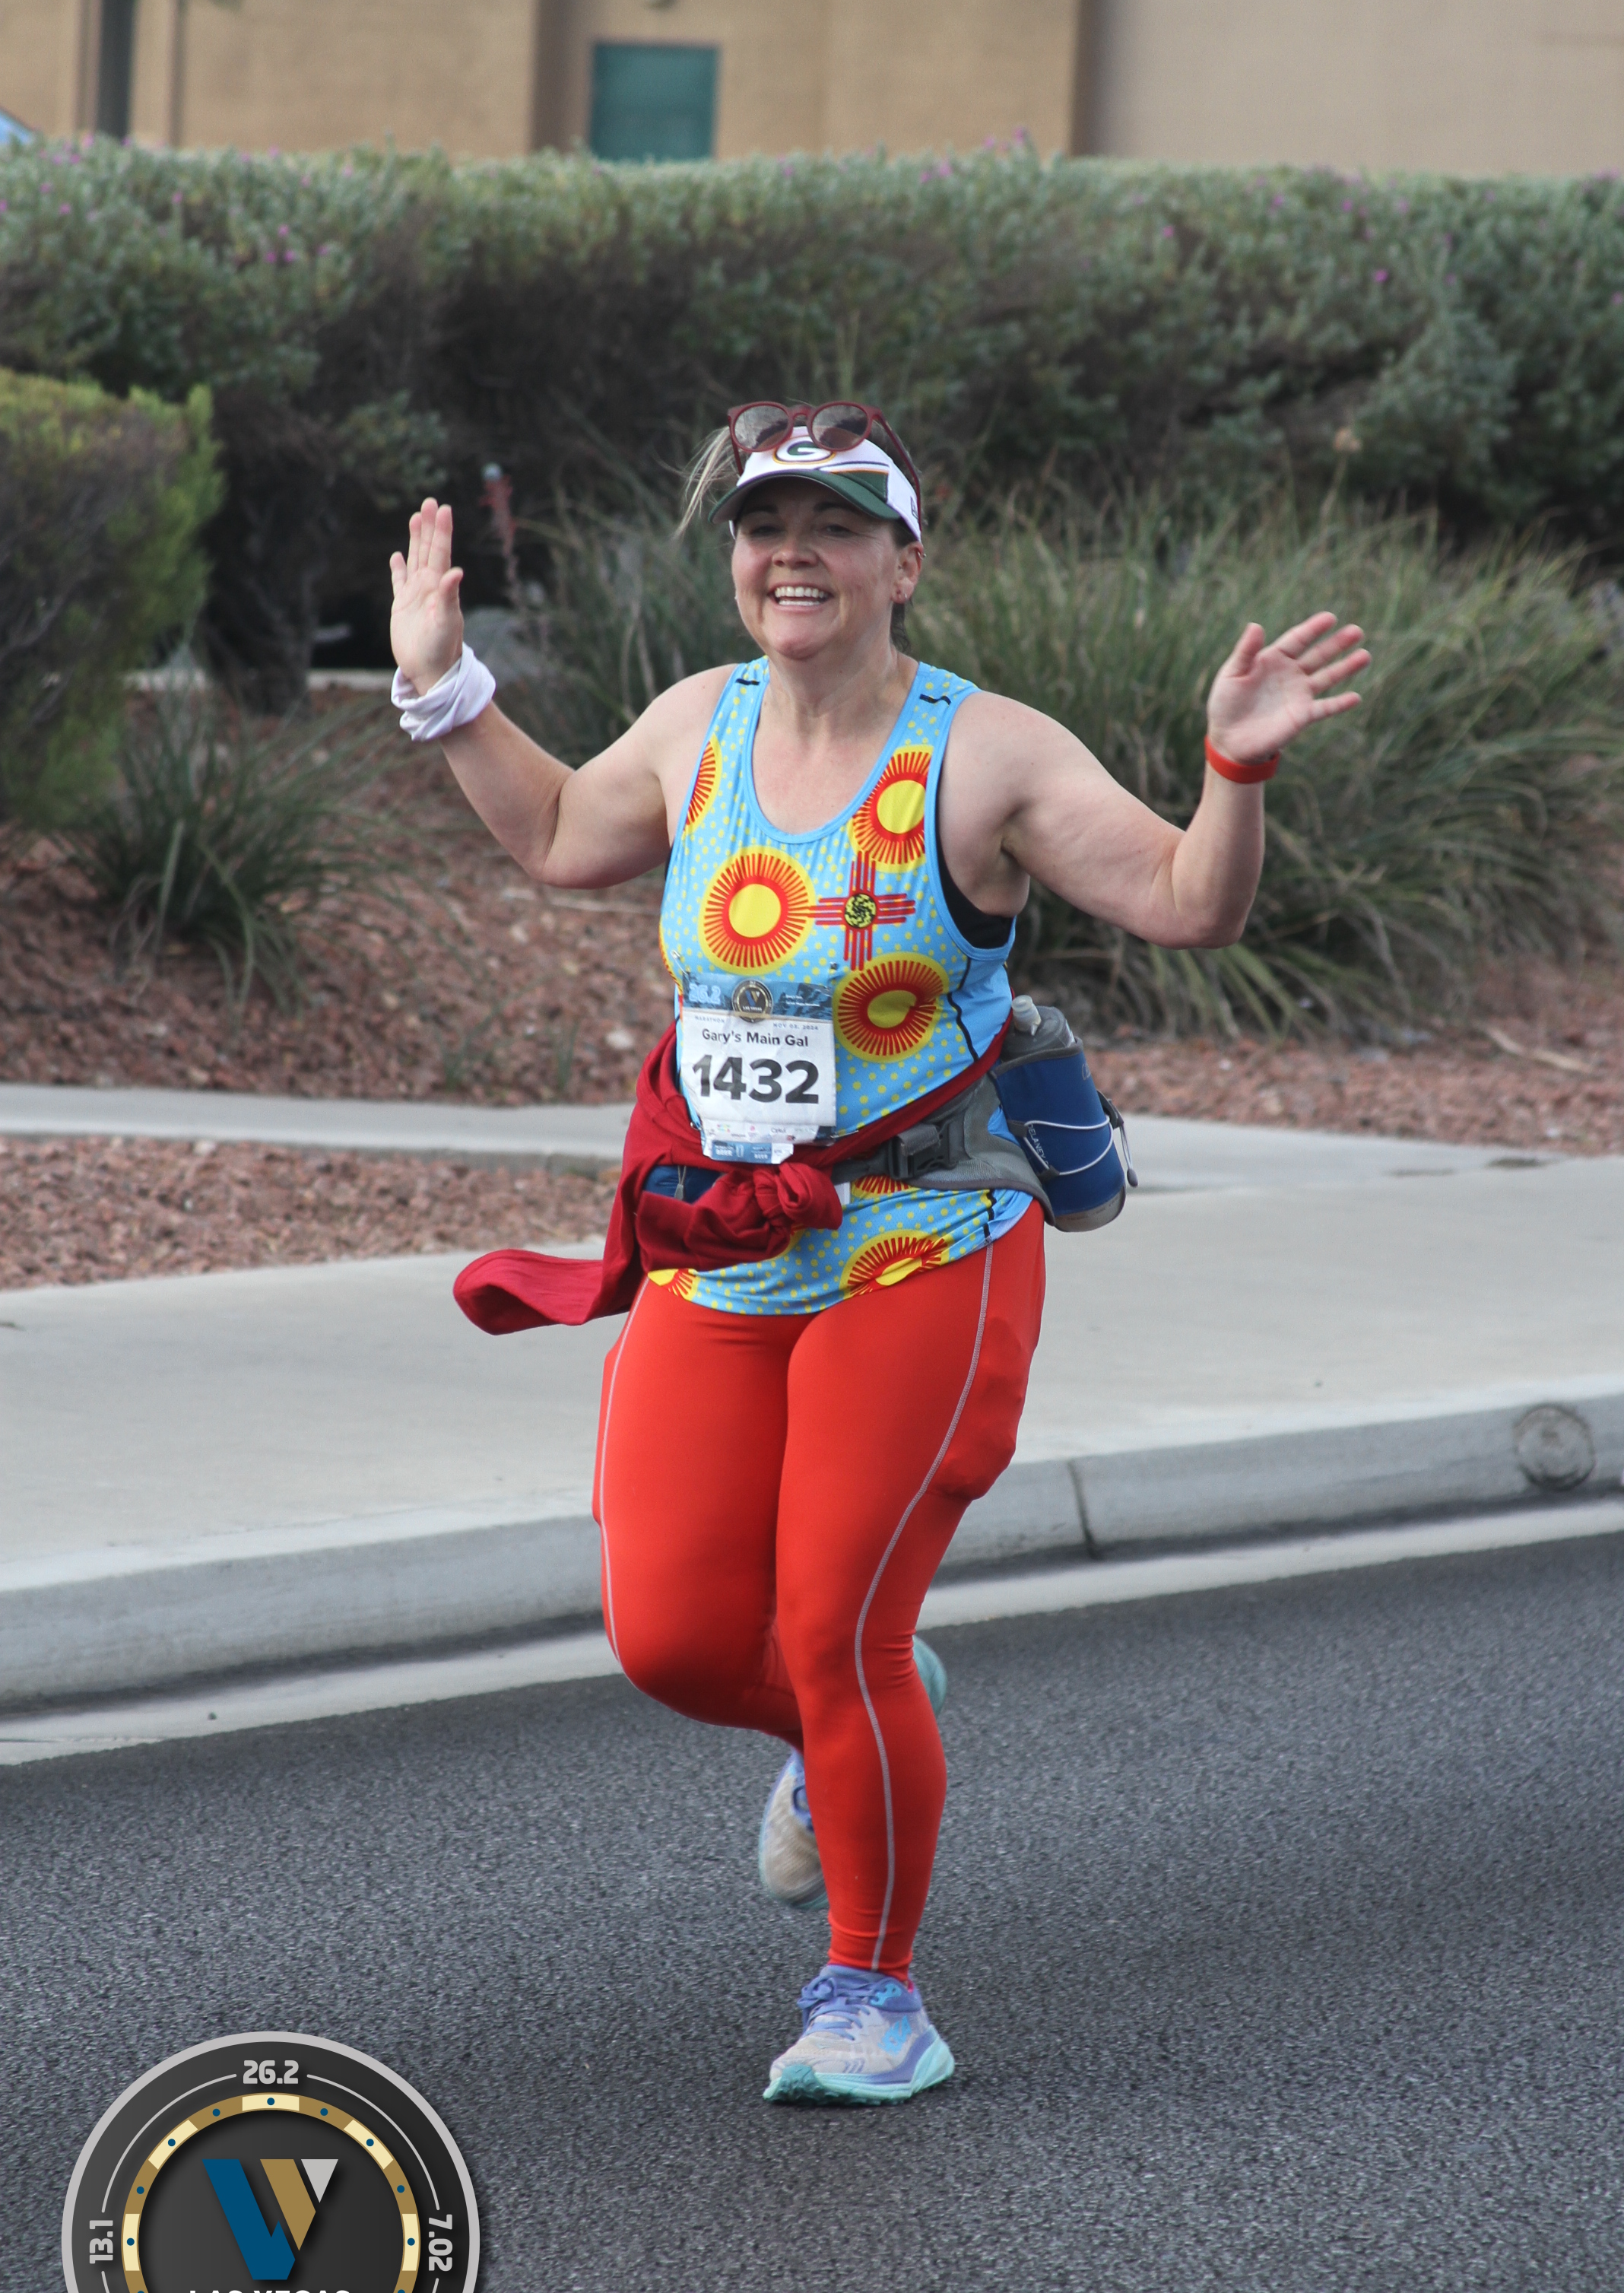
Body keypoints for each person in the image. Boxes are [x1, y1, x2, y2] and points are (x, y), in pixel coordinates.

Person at [388, 401, 1368, 2107]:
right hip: (726, 1242)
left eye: (836, 527)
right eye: (767, 527)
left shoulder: (986, 754)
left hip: (926, 1241)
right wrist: (443, 685)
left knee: (833, 1621)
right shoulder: (697, 725)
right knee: (674, 1636)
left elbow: (1187, 903)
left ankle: (873, 1990)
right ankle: (855, 1722)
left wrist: (1235, 774)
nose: (794, 556)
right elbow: (556, 836)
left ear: (903, 564)